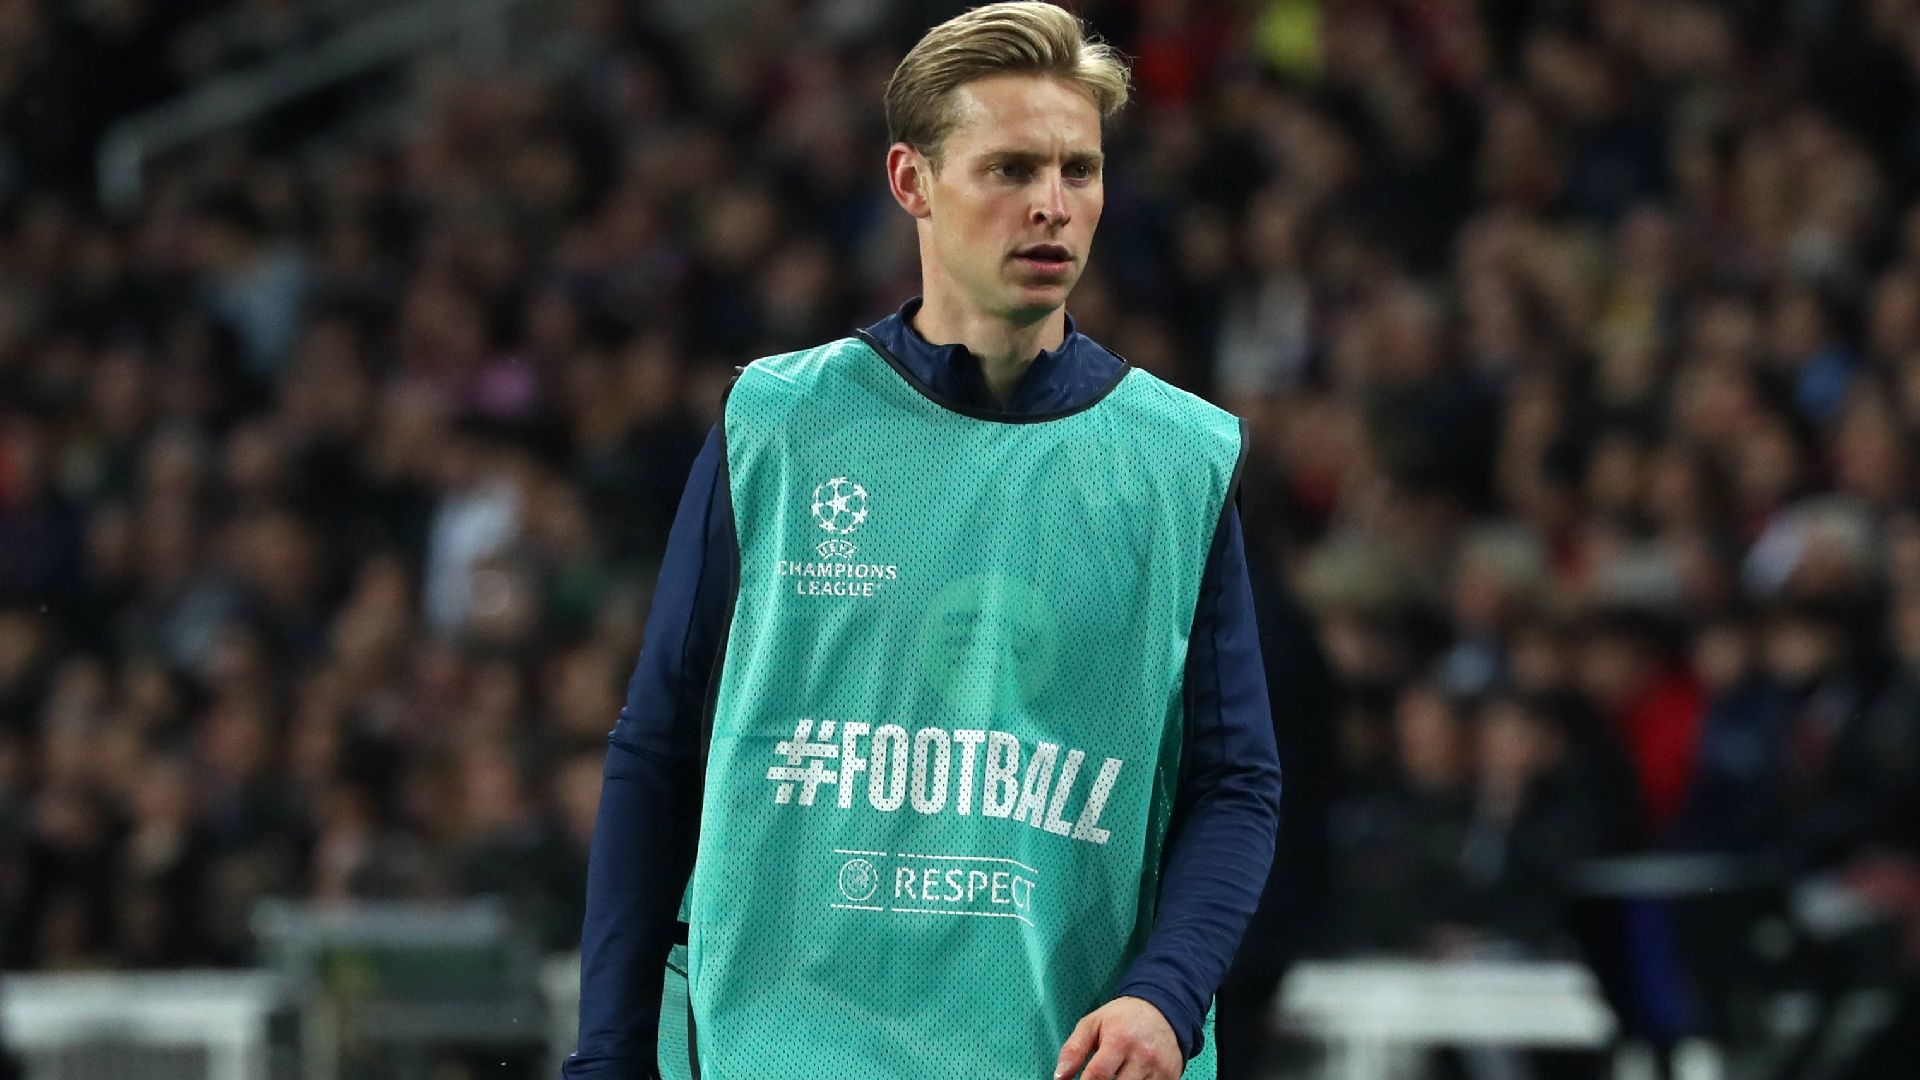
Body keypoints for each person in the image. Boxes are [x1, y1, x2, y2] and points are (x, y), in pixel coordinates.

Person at [561, 5, 1282, 1078]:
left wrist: (1165, 995)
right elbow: (657, 751)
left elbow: (1234, 783)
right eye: (1010, 169)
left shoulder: (1181, 461)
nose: (1052, 205)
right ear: (913, 182)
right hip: (780, 1051)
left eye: (1079, 171)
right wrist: (608, 1058)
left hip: (1056, 1056)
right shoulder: (780, 423)